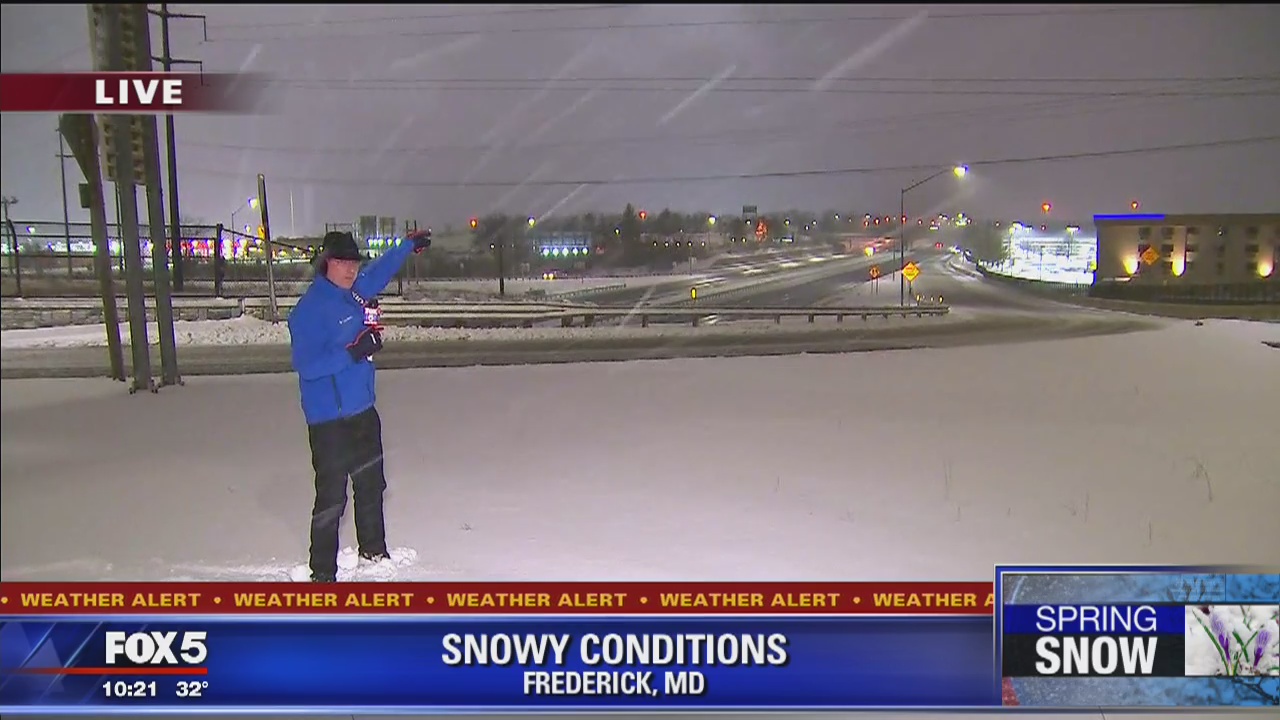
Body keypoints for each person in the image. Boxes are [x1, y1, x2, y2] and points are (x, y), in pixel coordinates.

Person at [287, 228, 432, 582]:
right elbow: (308, 366)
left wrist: (407, 246)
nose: (350, 269)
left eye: (353, 263)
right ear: (325, 263)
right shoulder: (307, 311)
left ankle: (374, 553)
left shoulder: (354, 293)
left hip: (363, 411)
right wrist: (353, 352)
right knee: (332, 497)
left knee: (371, 485)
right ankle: (322, 572)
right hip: (329, 421)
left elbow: (379, 271)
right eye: (342, 263)